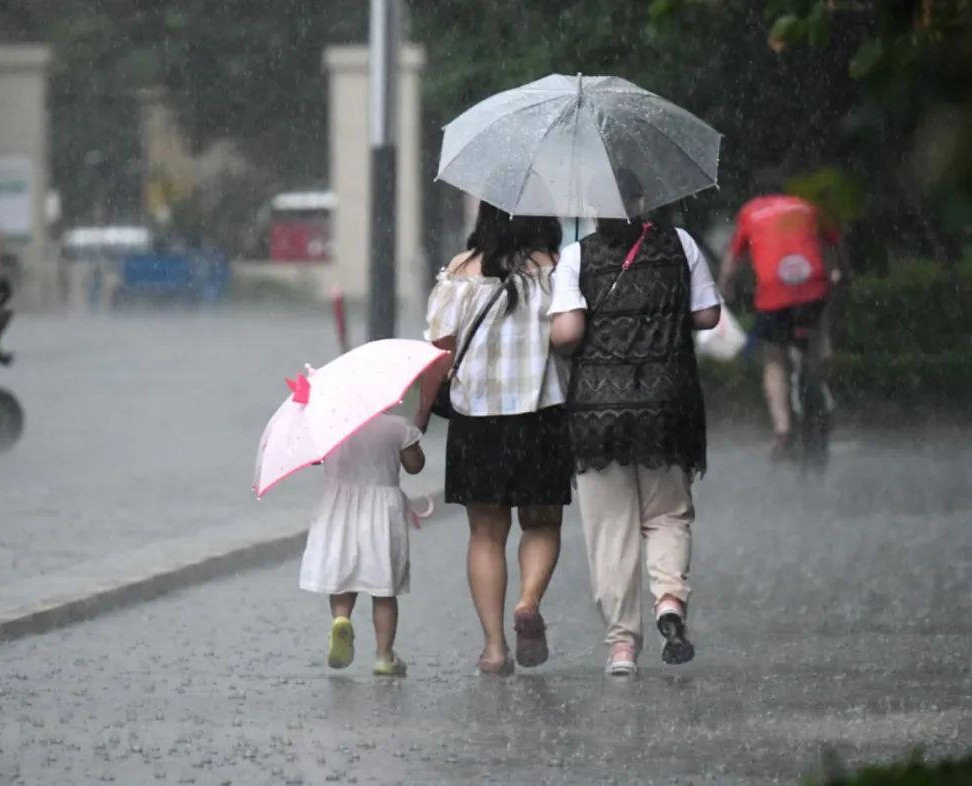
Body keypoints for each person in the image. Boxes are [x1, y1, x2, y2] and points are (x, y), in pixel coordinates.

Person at [549, 169, 721, 677]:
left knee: (610, 532)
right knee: (668, 514)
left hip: (598, 414)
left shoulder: (577, 256)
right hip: (667, 404)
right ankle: (669, 598)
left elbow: (567, 332)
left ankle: (622, 645)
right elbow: (708, 315)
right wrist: (664, 311)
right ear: (643, 199)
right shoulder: (681, 244)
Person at [417, 201, 573, 676]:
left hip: (476, 422)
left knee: (486, 534)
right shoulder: (556, 272)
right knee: (541, 524)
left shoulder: (458, 274)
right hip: (542, 416)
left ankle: (493, 649)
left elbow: (436, 356)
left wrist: (417, 422)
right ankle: (527, 602)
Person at [298, 413, 426, 677]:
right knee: (383, 590)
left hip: (339, 510)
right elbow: (415, 466)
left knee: (343, 577)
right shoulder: (397, 426)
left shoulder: (331, 425)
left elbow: (314, 459)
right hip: (381, 513)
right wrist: (415, 435)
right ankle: (383, 656)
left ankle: (341, 620)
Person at [718, 190, 839, 458]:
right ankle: (825, 358)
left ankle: (782, 430)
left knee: (773, 357)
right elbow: (831, 246)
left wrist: (725, 290)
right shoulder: (807, 205)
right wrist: (836, 274)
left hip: (774, 292)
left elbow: (731, 262)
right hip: (812, 285)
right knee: (821, 309)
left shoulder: (750, 212)